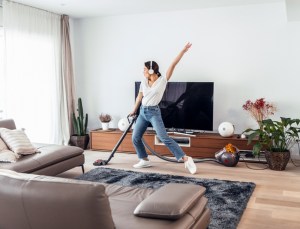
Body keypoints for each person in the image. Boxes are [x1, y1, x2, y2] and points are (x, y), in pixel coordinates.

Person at [129, 42, 197, 174]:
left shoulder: (163, 80)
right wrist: (133, 110)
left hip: (154, 112)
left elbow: (173, 64)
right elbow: (139, 96)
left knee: (163, 137)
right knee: (135, 137)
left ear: (150, 70)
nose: (142, 71)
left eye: (144, 69)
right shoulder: (143, 81)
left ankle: (185, 158)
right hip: (143, 111)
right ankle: (144, 160)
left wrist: (183, 51)